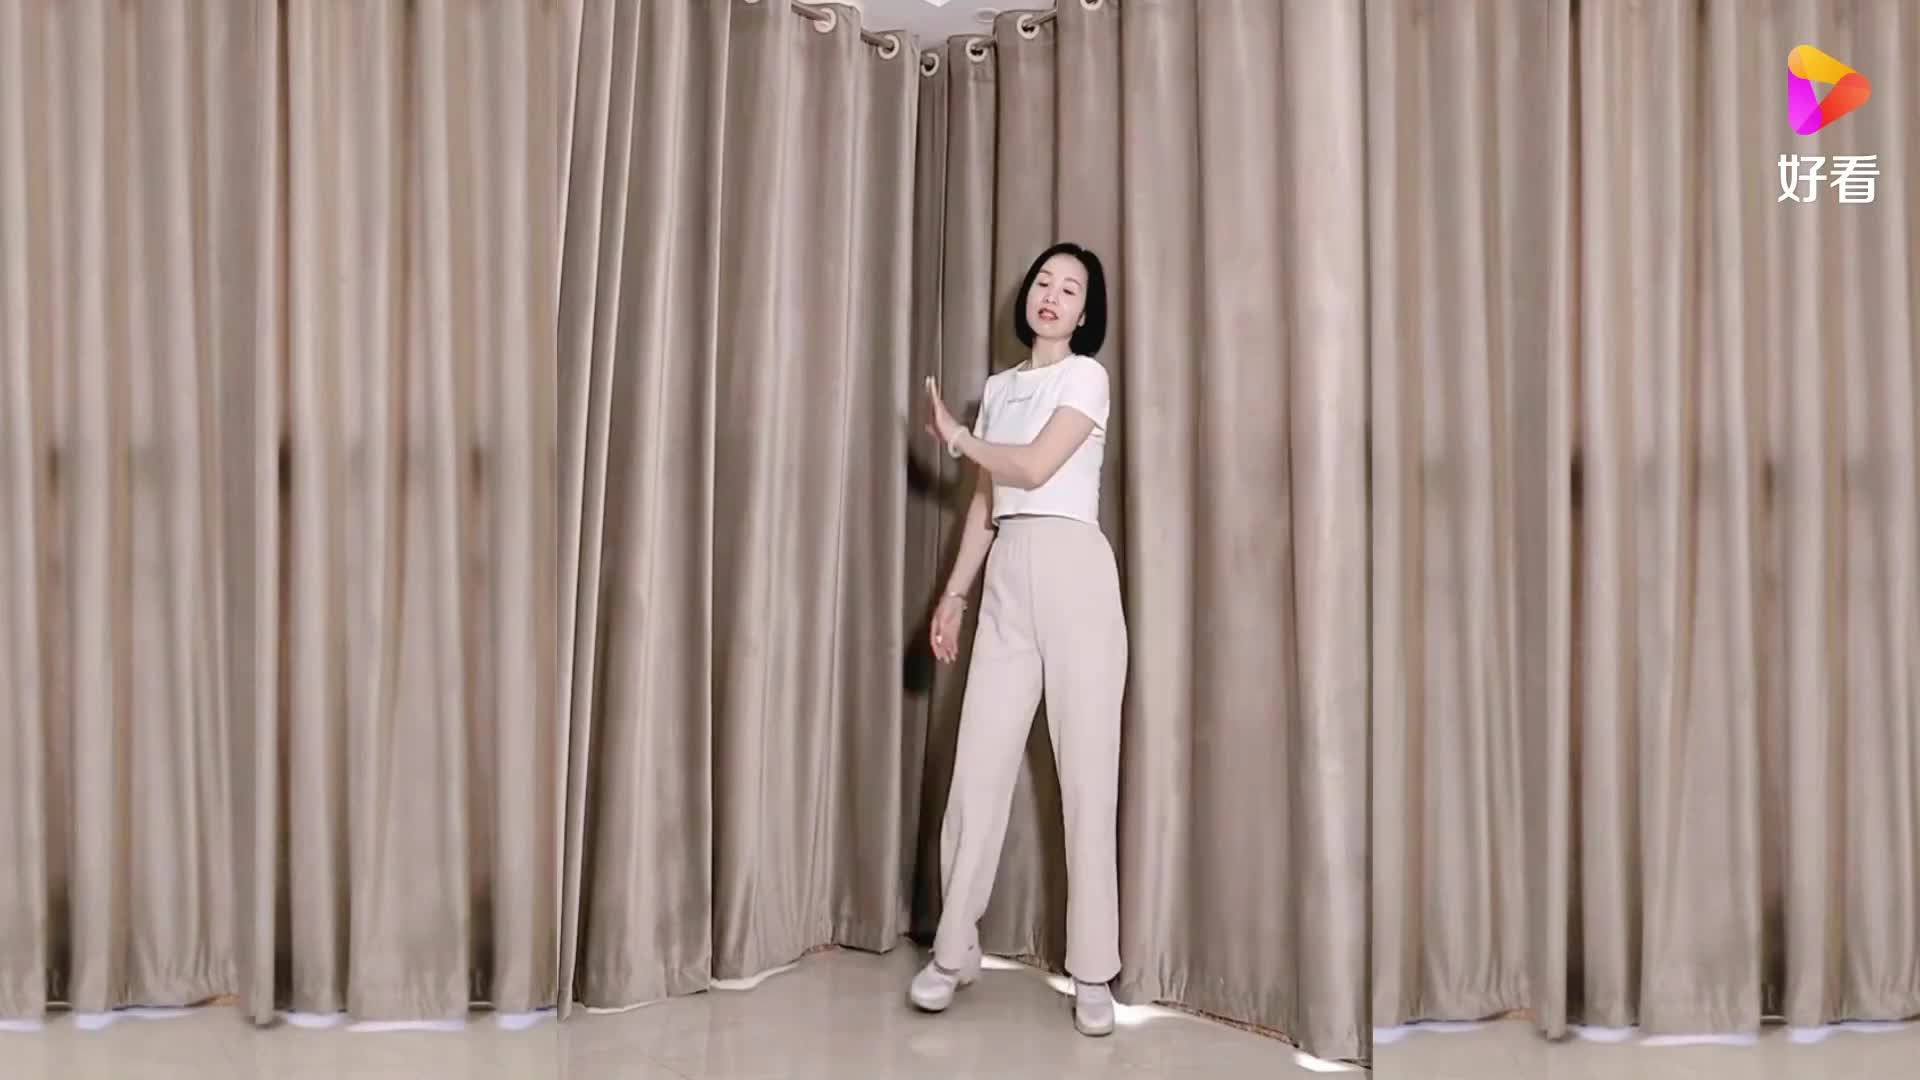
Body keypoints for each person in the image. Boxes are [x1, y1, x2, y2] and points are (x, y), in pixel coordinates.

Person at [913, 242, 1127, 1038]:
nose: (1052, 295)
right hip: (1006, 574)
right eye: (1044, 281)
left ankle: (1094, 972)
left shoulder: (1086, 378)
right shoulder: (1000, 389)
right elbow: (987, 500)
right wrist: (954, 595)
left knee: (1087, 777)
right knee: (977, 770)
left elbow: (1033, 468)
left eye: (1070, 289)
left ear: (1084, 312)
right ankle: (954, 950)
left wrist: (956, 437)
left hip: (1076, 574)